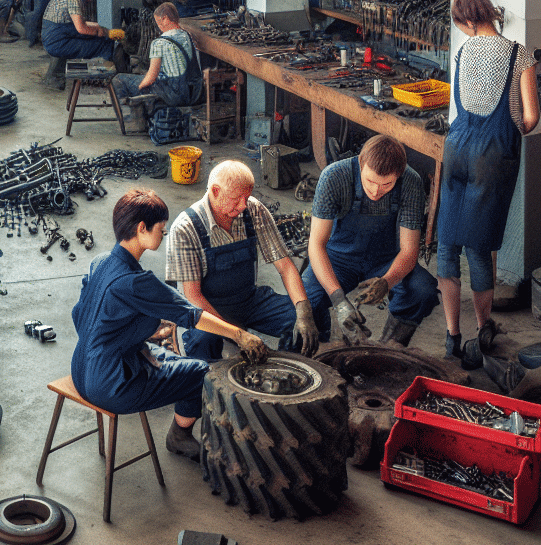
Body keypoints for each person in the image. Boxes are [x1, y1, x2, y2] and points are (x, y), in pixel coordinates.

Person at [71, 188, 268, 462]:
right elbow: (191, 314)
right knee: (201, 371)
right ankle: (179, 435)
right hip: (109, 387)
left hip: (81, 369)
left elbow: (80, 316)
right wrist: (241, 335)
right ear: (142, 228)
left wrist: (128, 337)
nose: (163, 235)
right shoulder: (135, 281)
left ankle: (177, 422)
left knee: (173, 359)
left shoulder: (100, 262)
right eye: (160, 229)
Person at [436, 0, 539, 367]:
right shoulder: (520, 54)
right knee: (478, 248)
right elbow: (531, 119)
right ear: (489, 14)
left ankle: (452, 338)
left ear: (466, 20)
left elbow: (458, 108)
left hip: (457, 147)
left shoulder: (463, 53)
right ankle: (483, 332)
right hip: (492, 154)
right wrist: (508, 129)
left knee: (447, 245)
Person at [165, 160, 318, 363]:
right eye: (236, 199)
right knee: (204, 340)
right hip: (208, 308)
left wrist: (303, 309)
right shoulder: (186, 228)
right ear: (215, 191)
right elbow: (193, 296)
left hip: (248, 300)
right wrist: (238, 335)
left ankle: (288, 372)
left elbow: (286, 266)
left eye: (247, 197)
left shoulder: (252, 210)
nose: (243, 205)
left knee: (300, 322)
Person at [302, 134, 438, 346]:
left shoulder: (411, 182)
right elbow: (316, 245)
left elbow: (410, 251)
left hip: (384, 260)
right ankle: (322, 353)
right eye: (370, 181)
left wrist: (387, 281)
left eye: (387, 184)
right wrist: (338, 301)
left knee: (422, 290)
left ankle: (388, 349)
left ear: (399, 174)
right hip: (339, 258)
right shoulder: (333, 177)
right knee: (307, 301)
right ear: (361, 163)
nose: (376, 191)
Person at [112, 2, 203, 107]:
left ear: (165, 19)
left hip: (174, 95)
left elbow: (151, 78)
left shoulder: (159, 43)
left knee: (119, 79)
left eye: (158, 22)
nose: (159, 27)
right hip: (194, 94)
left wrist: (138, 89)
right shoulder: (186, 35)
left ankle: (131, 118)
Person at [40, 0, 127, 69]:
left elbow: (81, 23)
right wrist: (99, 32)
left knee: (101, 39)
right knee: (103, 45)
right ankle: (117, 75)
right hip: (57, 43)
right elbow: (81, 29)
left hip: (58, 36)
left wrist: (100, 27)